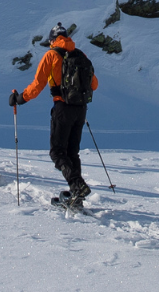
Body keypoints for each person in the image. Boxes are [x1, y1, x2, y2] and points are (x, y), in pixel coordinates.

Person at [11, 22, 98, 204]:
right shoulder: (80, 54)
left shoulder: (51, 55)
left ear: (52, 40)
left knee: (57, 152)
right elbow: (94, 84)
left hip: (62, 108)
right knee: (72, 152)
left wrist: (20, 99)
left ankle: (77, 185)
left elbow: (37, 85)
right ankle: (77, 194)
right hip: (81, 109)